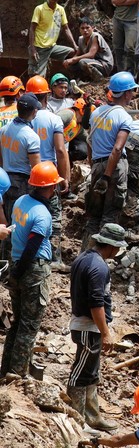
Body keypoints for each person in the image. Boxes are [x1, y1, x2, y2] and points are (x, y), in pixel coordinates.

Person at [0, 161, 61, 376]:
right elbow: (33, 247)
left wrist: (13, 272)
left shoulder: (20, 201)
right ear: (51, 187)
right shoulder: (43, 215)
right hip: (33, 270)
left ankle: (6, 368)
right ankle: (16, 374)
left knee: (18, 323)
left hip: (17, 264)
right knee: (28, 326)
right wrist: (18, 274)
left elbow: (13, 235)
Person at [67, 222, 127, 431]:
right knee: (81, 372)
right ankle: (77, 419)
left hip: (88, 326)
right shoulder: (98, 267)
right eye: (117, 247)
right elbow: (96, 304)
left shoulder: (85, 257)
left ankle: (92, 417)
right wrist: (106, 333)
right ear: (110, 246)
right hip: (87, 327)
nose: (118, 251)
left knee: (91, 372)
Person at [83, 72, 139, 249]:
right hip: (113, 169)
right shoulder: (123, 117)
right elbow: (117, 148)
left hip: (98, 165)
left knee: (94, 216)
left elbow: (89, 142)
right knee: (109, 215)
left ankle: (85, 255)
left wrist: (95, 168)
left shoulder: (96, 113)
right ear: (126, 93)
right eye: (131, 91)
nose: (133, 95)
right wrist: (107, 176)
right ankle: (98, 261)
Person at [25, 76, 70, 269]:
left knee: (28, 214)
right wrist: (65, 178)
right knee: (54, 216)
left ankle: (28, 254)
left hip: (28, 173)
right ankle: (54, 259)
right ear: (47, 95)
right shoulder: (54, 119)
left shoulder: (22, 119)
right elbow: (60, 150)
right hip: (49, 176)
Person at [0, 93, 42, 261]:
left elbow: (1, 157)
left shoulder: (5, 129)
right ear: (34, 111)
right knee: (16, 225)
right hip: (21, 182)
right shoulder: (31, 136)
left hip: (5, 179)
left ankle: (3, 260)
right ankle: (13, 263)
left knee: (4, 221)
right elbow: (36, 168)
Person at [27, 0, 77, 78]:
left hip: (52, 47)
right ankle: (36, 91)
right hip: (40, 47)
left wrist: (74, 45)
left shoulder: (60, 9)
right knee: (38, 76)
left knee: (73, 52)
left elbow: (66, 28)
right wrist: (33, 49)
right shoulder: (40, 9)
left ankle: (73, 76)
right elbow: (32, 28)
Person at [64, 16, 115, 80]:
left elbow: (91, 54)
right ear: (79, 29)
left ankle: (99, 78)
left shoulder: (95, 36)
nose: (85, 30)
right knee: (70, 65)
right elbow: (78, 54)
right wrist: (69, 61)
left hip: (104, 64)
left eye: (87, 28)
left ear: (92, 28)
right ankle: (80, 80)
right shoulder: (80, 39)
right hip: (91, 62)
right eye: (82, 28)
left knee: (82, 62)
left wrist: (74, 59)